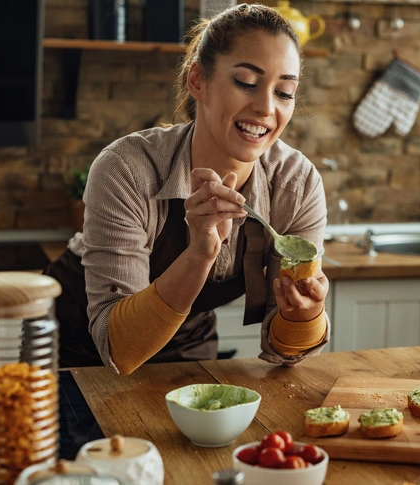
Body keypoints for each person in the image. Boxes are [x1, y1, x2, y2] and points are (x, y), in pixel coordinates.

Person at [44, 4, 330, 375]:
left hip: (188, 341)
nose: (265, 108)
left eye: (285, 92)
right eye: (246, 82)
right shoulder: (126, 169)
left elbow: (287, 350)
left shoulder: (296, 183)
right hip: (74, 349)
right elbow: (120, 349)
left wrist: (304, 316)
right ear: (198, 81)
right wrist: (199, 254)